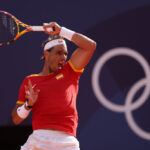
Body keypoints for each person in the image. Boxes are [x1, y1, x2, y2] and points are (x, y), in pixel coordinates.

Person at [11, 22, 96, 150]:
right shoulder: (30, 81)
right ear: (46, 54)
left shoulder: (70, 71)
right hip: (38, 140)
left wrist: (61, 31)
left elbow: (90, 46)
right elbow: (16, 119)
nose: (63, 57)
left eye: (65, 54)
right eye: (59, 53)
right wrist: (28, 105)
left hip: (67, 143)